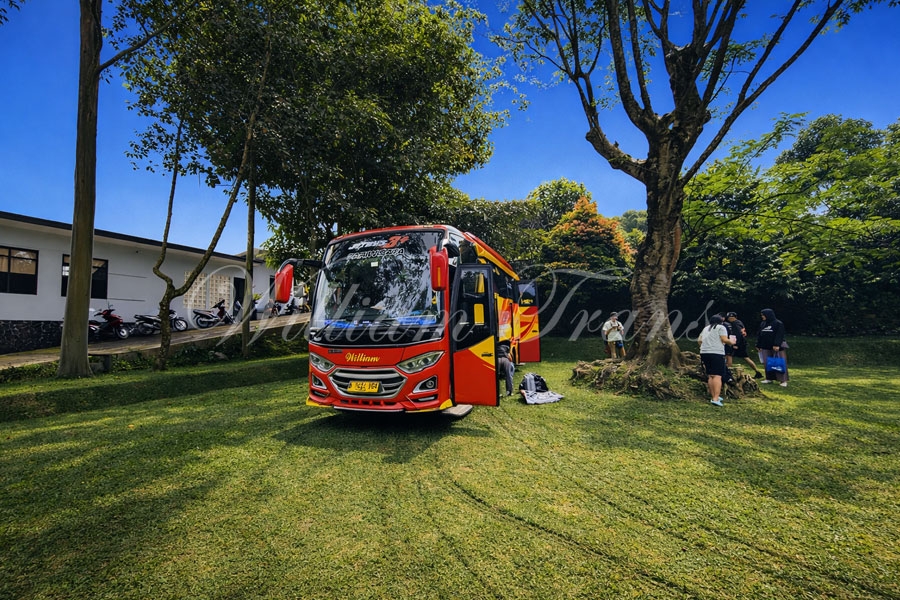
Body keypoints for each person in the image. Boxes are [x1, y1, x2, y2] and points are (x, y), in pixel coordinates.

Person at [699, 314, 731, 406]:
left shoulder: (706, 328)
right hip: (716, 353)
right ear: (721, 321)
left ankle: (713, 395)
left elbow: (699, 340)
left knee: (711, 375)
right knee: (717, 376)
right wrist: (732, 342)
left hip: (704, 352)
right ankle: (716, 398)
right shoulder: (721, 327)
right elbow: (724, 339)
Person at [756, 308, 788, 387]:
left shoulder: (778, 323)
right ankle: (769, 378)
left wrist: (777, 344)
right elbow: (760, 335)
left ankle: (783, 380)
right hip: (765, 346)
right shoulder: (763, 324)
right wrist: (758, 345)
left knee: (779, 362)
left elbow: (779, 335)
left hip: (776, 347)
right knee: (767, 363)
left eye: (763, 315)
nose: (762, 316)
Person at [726, 311, 764, 378]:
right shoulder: (739, 322)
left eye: (729, 317)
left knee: (729, 355)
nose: (728, 319)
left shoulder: (735, 323)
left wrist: (736, 344)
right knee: (745, 357)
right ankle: (757, 372)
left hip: (739, 343)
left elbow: (738, 334)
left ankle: (729, 372)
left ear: (732, 317)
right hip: (742, 342)